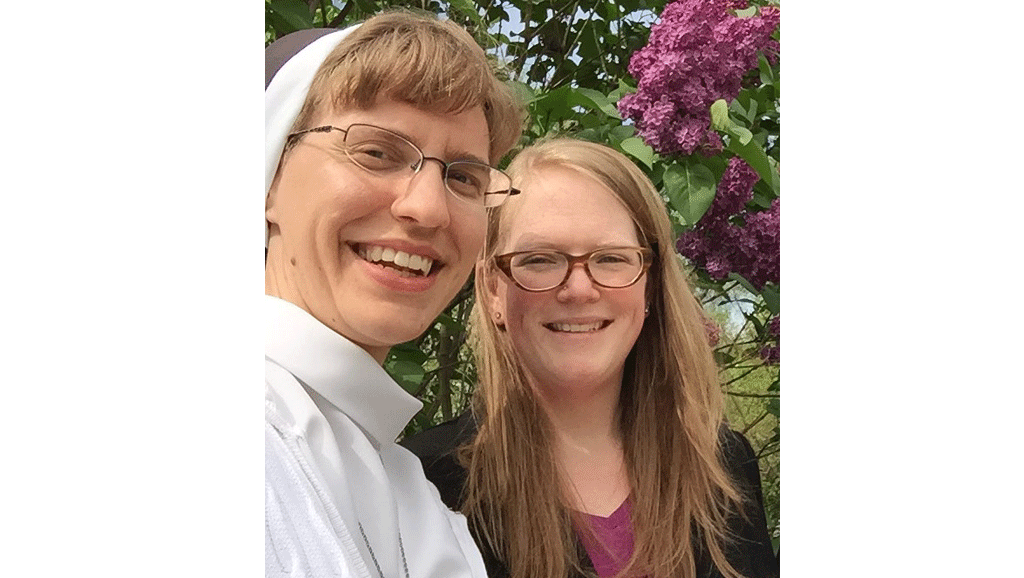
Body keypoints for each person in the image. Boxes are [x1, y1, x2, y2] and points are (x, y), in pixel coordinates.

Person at [402, 138, 778, 578]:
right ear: (492, 289)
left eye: (612, 258)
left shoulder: (725, 467)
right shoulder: (425, 488)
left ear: (650, 285)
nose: (579, 290)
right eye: (539, 259)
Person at [264, 10, 524, 578]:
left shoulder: (414, 492)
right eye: (377, 152)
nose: (427, 207)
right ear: (268, 180)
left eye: (463, 177)